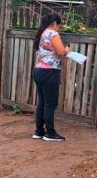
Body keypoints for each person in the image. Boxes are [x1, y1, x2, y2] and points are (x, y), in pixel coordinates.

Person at [32, 13, 70, 142]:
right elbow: (60, 52)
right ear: (54, 23)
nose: (58, 28)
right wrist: (67, 50)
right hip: (50, 72)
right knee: (50, 104)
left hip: (38, 70)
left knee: (42, 103)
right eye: (59, 26)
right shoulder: (52, 34)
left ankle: (39, 131)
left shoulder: (41, 34)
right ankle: (50, 133)